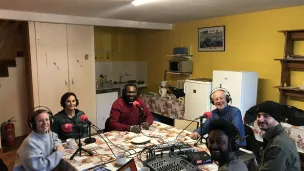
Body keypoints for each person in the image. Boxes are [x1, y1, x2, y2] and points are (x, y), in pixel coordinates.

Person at [256, 101, 300, 171]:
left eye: (266, 116)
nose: (260, 119)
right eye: (258, 115)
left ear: (276, 118)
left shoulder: (278, 145)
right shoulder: (275, 137)